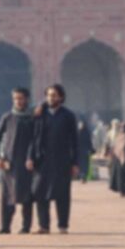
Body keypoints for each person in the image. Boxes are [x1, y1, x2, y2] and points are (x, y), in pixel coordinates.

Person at [27, 84, 79, 233]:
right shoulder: (39, 114)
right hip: (42, 159)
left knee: (62, 193)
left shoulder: (68, 115)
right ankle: (44, 226)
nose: (51, 98)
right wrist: (30, 157)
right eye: (49, 95)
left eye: (54, 95)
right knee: (40, 192)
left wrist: (75, 163)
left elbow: (74, 141)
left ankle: (63, 225)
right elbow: (33, 137)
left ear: (61, 97)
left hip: (62, 160)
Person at [0, 87, 34, 234]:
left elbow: (35, 141)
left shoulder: (31, 118)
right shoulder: (8, 117)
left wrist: (31, 158)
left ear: (27, 99)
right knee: (7, 196)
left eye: (20, 98)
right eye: (15, 98)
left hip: (26, 163)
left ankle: (26, 226)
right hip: (9, 163)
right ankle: (5, 226)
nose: (18, 101)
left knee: (27, 196)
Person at [110, 124, 125, 196]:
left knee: (122, 176)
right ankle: (123, 191)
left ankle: (124, 191)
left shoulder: (119, 136)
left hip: (119, 158)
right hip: (122, 158)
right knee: (123, 176)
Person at [76, 118, 94, 183]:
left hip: (82, 151)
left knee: (83, 164)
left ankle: (83, 176)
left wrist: (91, 149)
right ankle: (82, 176)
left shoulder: (81, 132)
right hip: (82, 151)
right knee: (83, 164)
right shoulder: (81, 132)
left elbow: (89, 142)